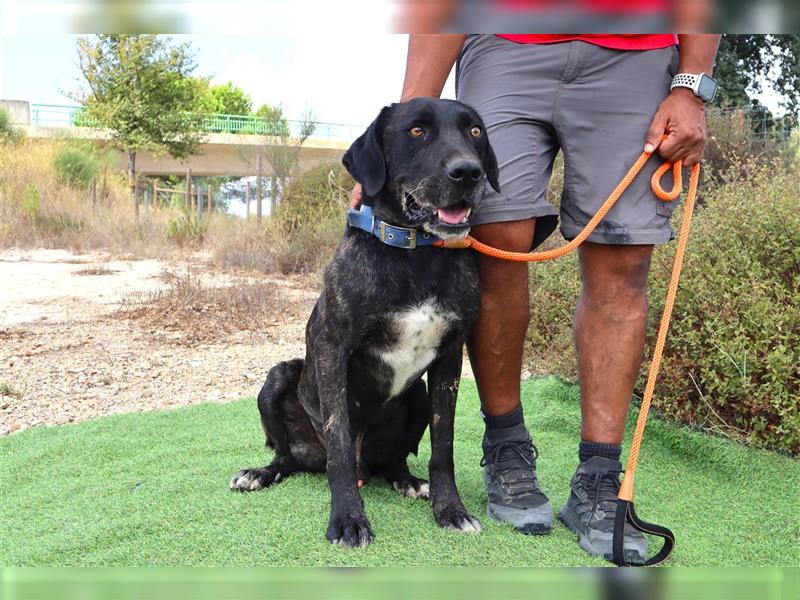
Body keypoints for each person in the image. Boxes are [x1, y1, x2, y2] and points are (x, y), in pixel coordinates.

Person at [351, 33, 720, 563]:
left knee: (623, 259)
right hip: (506, 40)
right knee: (495, 238)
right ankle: (506, 448)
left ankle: (599, 479)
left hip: (636, 51)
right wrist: (400, 137)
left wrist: (691, 85)